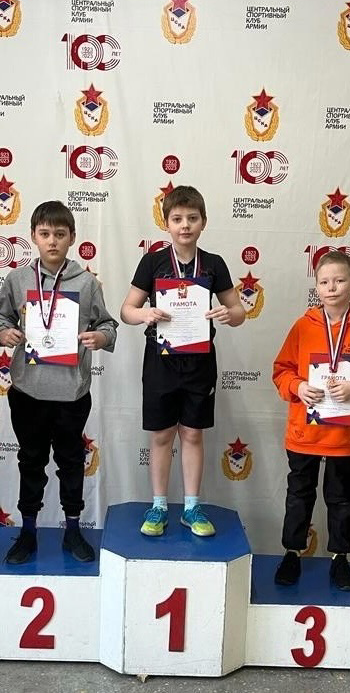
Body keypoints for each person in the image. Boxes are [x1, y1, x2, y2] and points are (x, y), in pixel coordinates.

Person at [121, 185, 244, 538]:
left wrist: (229, 314)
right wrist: (144, 314)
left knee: (192, 433)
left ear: (203, 221)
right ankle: (159, 505)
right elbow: (127, 310)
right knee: (162, 434)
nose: (185, 225)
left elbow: (239, 312)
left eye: (192, 218)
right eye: (177, 219)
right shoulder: (152, 262)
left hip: (199, 362)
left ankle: (191, 507)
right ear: (167, 224)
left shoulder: (214, 263)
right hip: (161, 360)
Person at [0, 201, 118, 564]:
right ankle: (28, 532)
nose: (52, 241)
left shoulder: (86, 282)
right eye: (45, 234)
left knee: (71, 461)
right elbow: (2, 318)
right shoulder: (17, 280)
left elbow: (107, 324)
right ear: (34, 237)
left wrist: (101, 337)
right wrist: (4, 333)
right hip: (28, 391)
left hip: (71, 392)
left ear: (72, 238)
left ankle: (73, 530)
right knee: (31, 461)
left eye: (60, 234)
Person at [273, 250, 350, 590]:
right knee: (299, 494)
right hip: (304, 433)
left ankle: (340, 557)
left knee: (341, 497)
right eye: (324, 282)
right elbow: (281, 370)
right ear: (316, 287)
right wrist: (298, 387)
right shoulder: (303, 326)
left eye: (339, 280)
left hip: (344, 436)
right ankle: (292, 552)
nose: (332, 288)